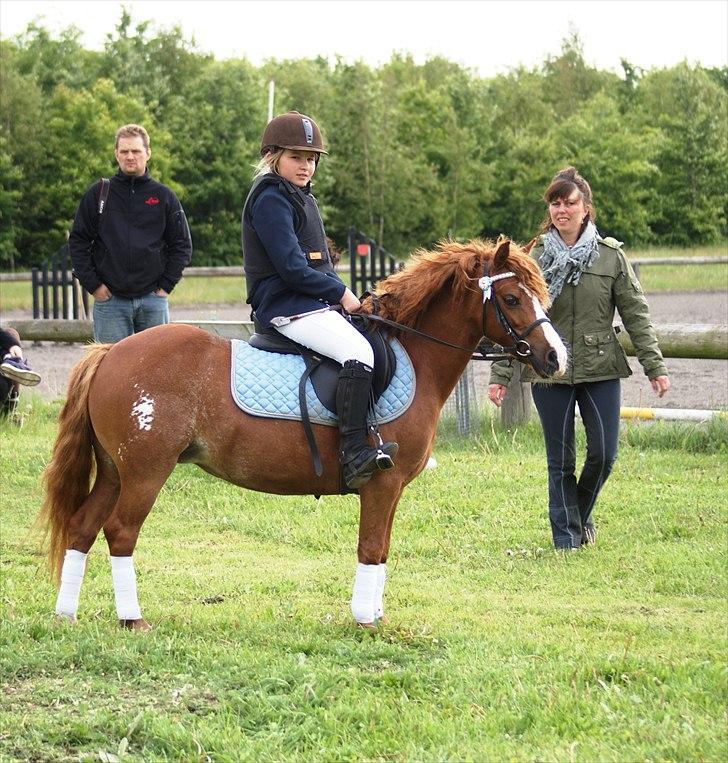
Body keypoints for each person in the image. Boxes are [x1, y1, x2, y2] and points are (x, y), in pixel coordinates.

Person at [488, 167, 669, 550]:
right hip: (549, 368)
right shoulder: (530, 260)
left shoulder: (610, 258)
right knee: (560, 461)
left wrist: (655, 367)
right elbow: (512, 319)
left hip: (600, 366)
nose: (562, 210)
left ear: (586, 208)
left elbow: (636, 314)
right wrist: (501, 375)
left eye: (570, 203)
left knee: (604, 455)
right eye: (555, 203)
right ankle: (566, 539)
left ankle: (580, 516)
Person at [241, 111, 397, 489]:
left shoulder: (300, 197)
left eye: (311, 159)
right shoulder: (270, 199)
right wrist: (340, 294)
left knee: (376, 337)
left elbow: (321, 264)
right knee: (358, 354)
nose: (306, 166)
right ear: (273, 156)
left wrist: (347, 294)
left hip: (310, 303)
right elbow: (293, 268)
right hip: (285, 306)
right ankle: (353, 453)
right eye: (297, 157)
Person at [69, 123, 193, 343]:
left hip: (152, 301)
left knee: (156, 369)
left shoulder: (164, 196)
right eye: (124, 151)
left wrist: (165, 286)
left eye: (136, 151)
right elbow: (78, 241)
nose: (130, 156)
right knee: (109, 372)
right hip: (110, 302)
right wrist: (94, 286)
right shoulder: (99, 194)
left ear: (148, 153)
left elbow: (182, 245)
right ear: (116, 154)